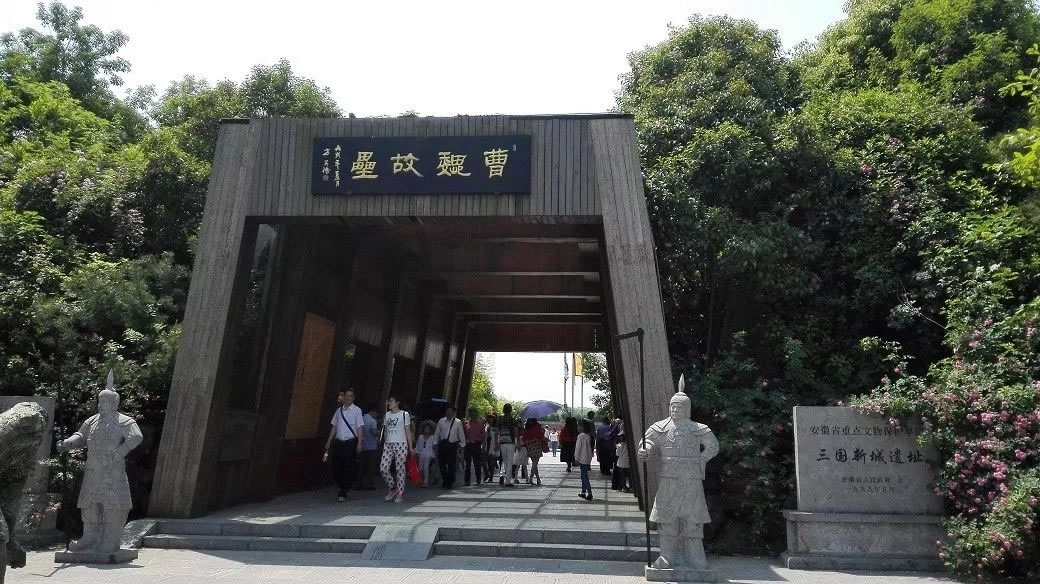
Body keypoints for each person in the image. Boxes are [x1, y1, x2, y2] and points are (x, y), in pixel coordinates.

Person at [322, 389, 364, 502]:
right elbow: (334, 427)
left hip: (350, 442)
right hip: (339, 442)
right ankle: (342, 485)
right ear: (344, 397)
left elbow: (359, 427)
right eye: (346, 396)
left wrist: (360, 443)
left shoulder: (357, 410)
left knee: (348, 466)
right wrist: (329, 441)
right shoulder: (339, 411)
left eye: (350, 396)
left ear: (353, 398)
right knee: (335, 466)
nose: (348, 398)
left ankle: (343, 491)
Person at [379, 396, 414, 503]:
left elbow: (408, 431)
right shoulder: (387, 415)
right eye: (388, 401)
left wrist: (410, 447)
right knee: (383, 468)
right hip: (388, 443)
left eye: (391, 401)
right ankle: (392, 487)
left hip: (401, 443)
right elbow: (385, 430)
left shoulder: (404, 414)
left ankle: (400, 493)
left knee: (400, 469)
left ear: (397, 402)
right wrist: (385, 442)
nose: (389, 403)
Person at [433, 406, 465, 488]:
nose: (448, 413)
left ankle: (449, 482)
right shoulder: (441, 421)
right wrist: (435, 443)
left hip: (452, 445)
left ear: (454, 413)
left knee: (451, 464)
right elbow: (437, 433)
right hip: (443, 444)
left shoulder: (458, 422)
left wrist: (462, 445)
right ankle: (445, 479)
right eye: (447, 411)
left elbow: (461, 434)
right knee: (441, 464)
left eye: (450, 411)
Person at [357, 403, 380, 490]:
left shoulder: (361, 419)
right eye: (376, 413)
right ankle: (369, 485)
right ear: (373, 411)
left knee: (361, 466)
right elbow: (374, 432)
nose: (376, 415)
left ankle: (359, 484)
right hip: (371, 447)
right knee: (370, 467)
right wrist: (378, 433)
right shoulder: (373, 421)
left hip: (361, 446)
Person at [496, 404, 521, 486]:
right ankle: (508, 481)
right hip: (511, 442)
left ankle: (502, 475)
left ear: (503, 410)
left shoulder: (500, 419)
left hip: (502, 442)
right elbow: (516, 432)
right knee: (510, 461)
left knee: (504, 460)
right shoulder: (513, 420)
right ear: (510, 410)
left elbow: (497, 432)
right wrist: (518, 443)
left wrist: (496, 443)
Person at [463, 408, 485, 486]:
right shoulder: (466, 423)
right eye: (473, 413)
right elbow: (463, 434)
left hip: (477, 444)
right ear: (469, 414)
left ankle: (478, 479)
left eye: (475, 413)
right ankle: (467, 480)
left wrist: (484, 446)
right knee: (468, 463)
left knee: (477, 463)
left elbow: (483, 435)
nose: (474, 414)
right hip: (468, 444)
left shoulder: (480, 423)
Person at [520, 418, 546, 485]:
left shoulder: (527, 427)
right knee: (535, 463)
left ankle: (538, 479)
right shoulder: (537, 426)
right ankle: (531, 478)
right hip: (536, 445)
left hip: (529, 446)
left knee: (534, 463)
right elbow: (541, 436)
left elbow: (524, 438)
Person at [575, 419, 594, 500]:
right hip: (587, 458)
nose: (577, 427)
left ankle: (589, 493)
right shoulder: (588, 435)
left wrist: (576, 458)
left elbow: (578, 448)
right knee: (583, 475)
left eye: (578, 426)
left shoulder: (580, 436)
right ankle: (583, 492)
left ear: (582, 426)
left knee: (584, 476)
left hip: (582, 458)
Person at [415, 422, 436, 487]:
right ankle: (422, 479)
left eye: (428, 429)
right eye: (425, 429)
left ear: (430, 430)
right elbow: (418, 445)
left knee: (425, 468)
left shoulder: (432, 437)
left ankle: (425, 482)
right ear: (423, 429)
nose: (426, 430)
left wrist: (433, 455)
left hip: (428, 455)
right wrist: (417, 452)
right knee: (420, 468)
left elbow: (433, 447)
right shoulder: (420, 437)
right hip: (421, 454)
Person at [483, 413, 500, 482]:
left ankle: (491, 477)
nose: (490, 419)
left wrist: (496, 445)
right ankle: (487, 474)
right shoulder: (486, 425)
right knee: (483, 461)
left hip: (492, 444)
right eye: (489, 417)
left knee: (491, 462)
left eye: (491, 417)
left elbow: (496, 436)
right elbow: (484, 436)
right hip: (486, 444)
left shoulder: (495, 427)